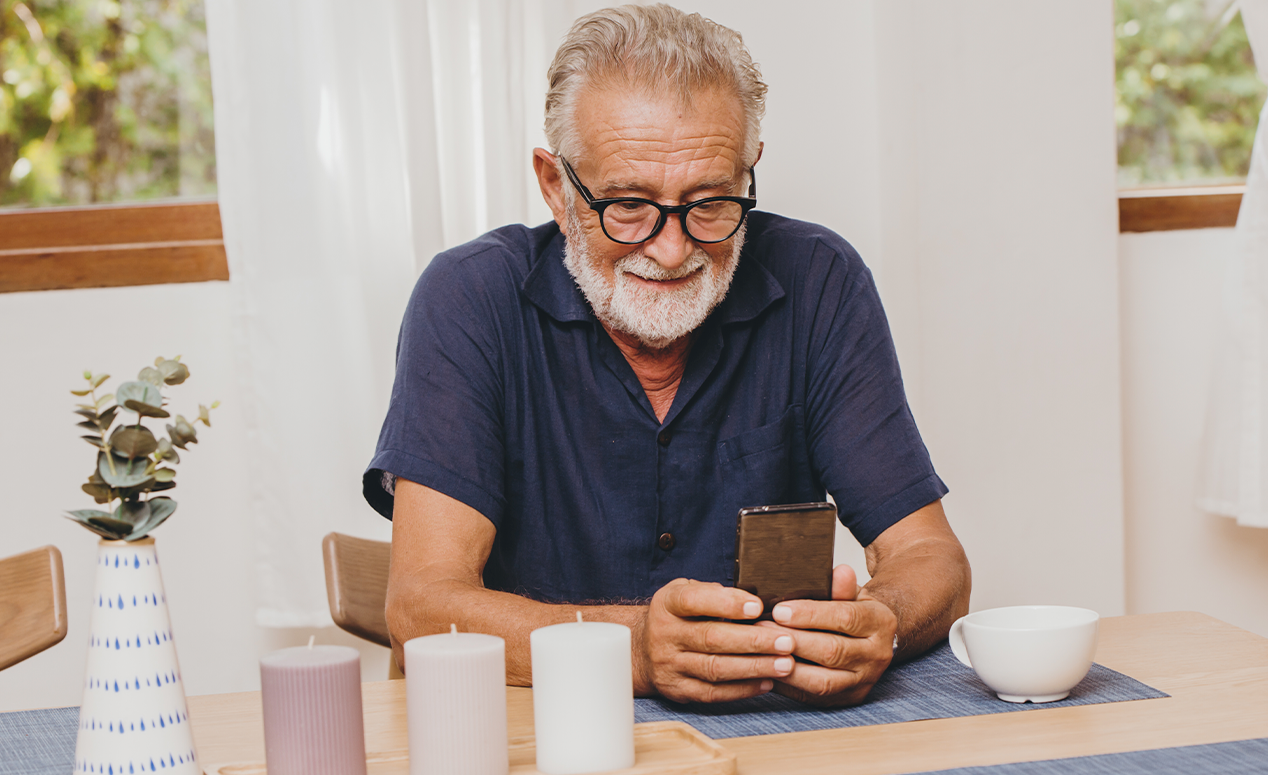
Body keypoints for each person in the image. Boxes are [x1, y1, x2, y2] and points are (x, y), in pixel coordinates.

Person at [362, 3, 970, 707]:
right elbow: (420, 608)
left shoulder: (821, 280)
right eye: (628, 204)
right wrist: (634, 649)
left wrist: (882, 622)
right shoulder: (468, 299)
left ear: (750, 171)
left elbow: (931, 558)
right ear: (557, 187)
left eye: (711, 201)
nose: (673, 248)